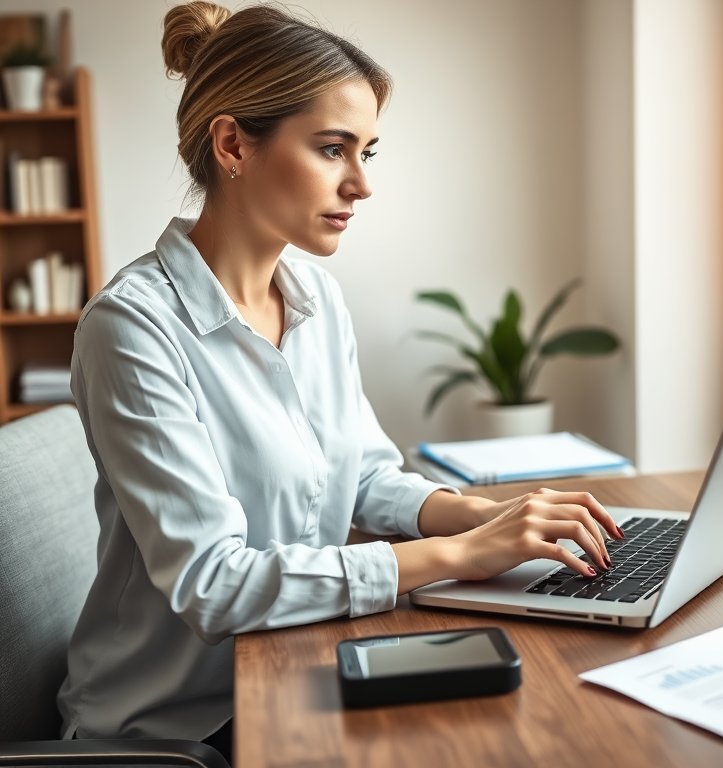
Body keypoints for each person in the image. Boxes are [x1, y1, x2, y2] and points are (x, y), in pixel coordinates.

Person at [57, 2, 623, 763]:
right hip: (176, 731)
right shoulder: (131, 328)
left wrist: (481, 517)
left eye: (368, 153)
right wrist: (463, 555)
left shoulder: (315, 299)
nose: (360, 184)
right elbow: (215, 584)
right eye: (333, 149)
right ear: (233, 144)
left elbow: (360, 476)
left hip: (297, 661)